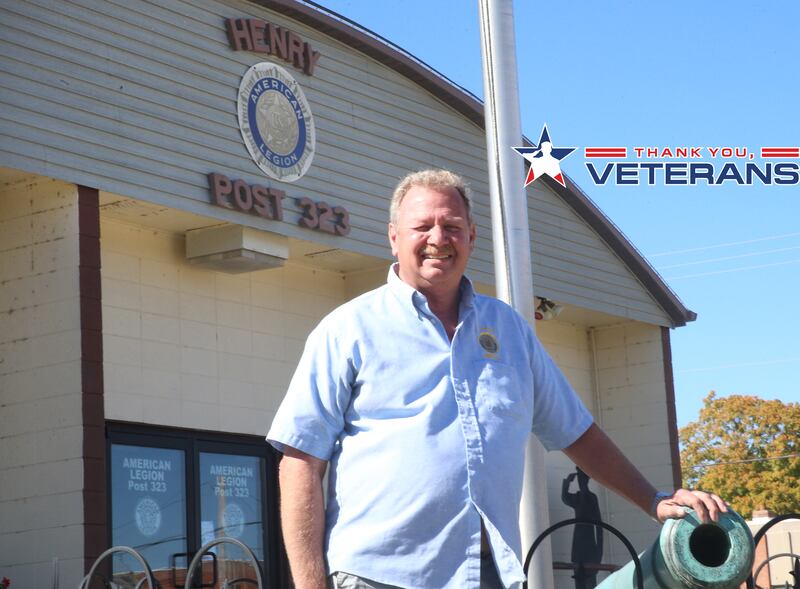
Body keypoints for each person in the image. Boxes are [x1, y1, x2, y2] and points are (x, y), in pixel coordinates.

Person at [267, 169, 726, 589]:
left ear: (472, 236)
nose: (437, 238)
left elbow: (578, 432)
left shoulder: (508, 331)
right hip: (378, 576)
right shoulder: (347, 329)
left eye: (451, 226)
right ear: (393, 238)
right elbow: (301, 462)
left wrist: (653, 499)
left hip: (487, 574)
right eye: (422, 226)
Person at [561, 468, 603, 589]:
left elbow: (599, 526)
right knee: (578, 577)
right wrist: (567, 482)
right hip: (578, 542)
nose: (581, 481)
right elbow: (565, 498)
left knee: (590, 579)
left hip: (590, 544)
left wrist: (599, 553)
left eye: (583, 478)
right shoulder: (577, 497)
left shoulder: (592, 498)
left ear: (587, 480)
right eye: (579, 479)